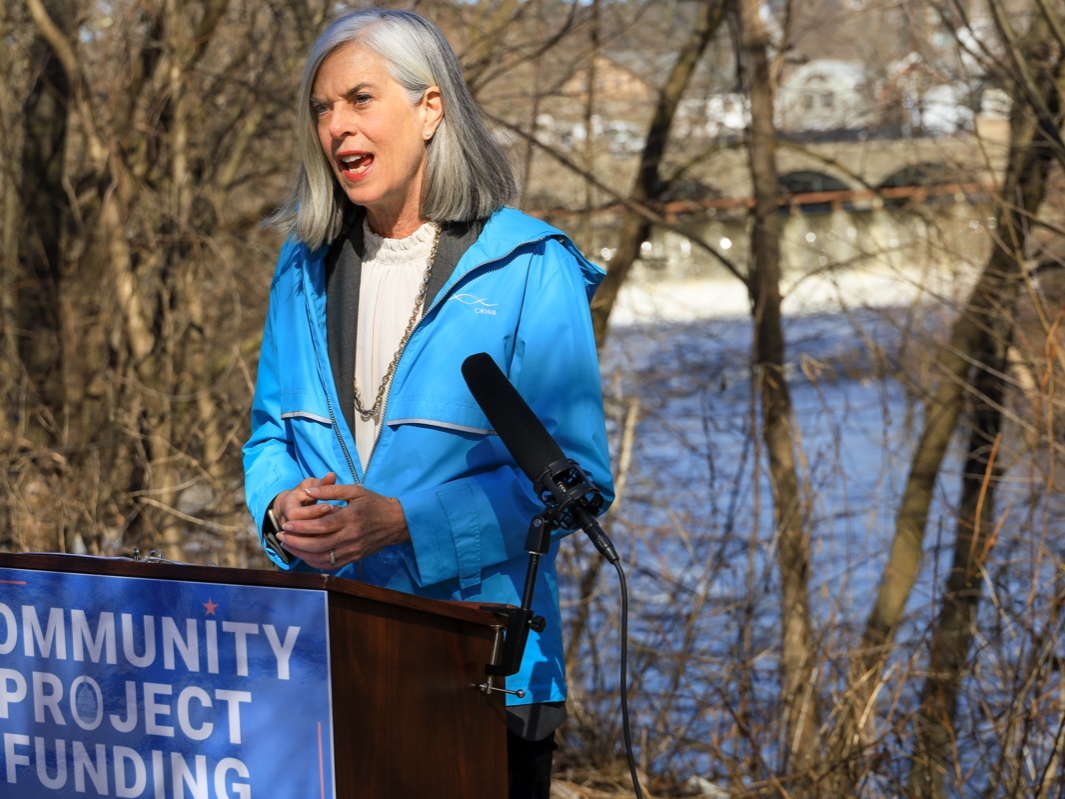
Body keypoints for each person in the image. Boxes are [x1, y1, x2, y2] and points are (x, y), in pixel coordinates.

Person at [242, 8, 613, 799]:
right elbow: (268, 434)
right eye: (321, 107)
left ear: (430, 108)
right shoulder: (301, 265)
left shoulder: (528, 267)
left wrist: (406, 521)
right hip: (331, 661)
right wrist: (279, 507)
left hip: (485, 672)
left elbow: (576, 483)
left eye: (360, 99)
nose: (336, 125)